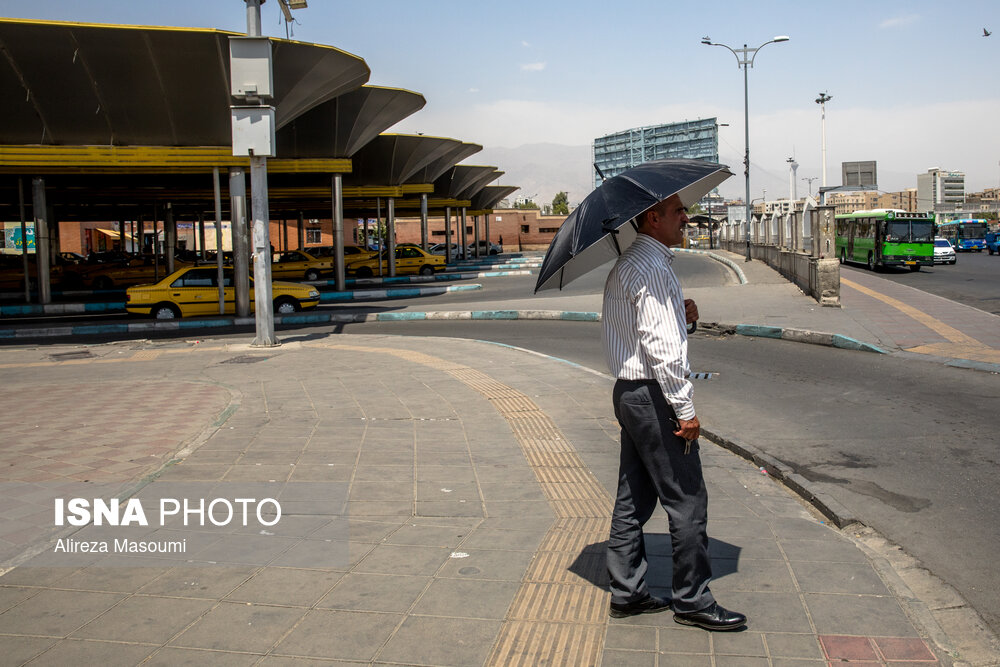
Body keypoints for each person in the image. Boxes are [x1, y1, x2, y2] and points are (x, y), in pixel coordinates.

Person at [601, 194, 747, 631]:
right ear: (653, 217)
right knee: (687, 499)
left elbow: (644, 331)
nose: (686, 218)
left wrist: (684, 319)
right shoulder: (652, 268)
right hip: (655, 397)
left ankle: (627, 592)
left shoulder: (630, 264)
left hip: (630, 392)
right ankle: (693, 599)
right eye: (678, 211)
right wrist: (685, 410)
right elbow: (662, 349)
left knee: (633, 497)